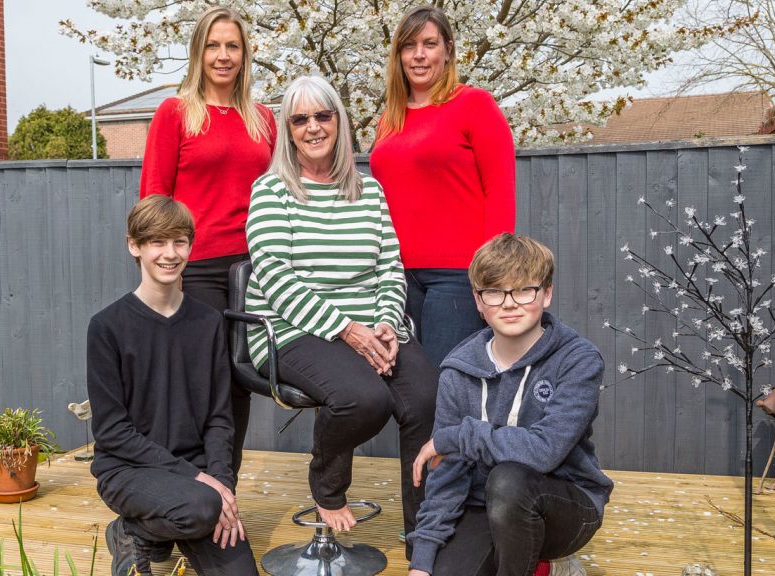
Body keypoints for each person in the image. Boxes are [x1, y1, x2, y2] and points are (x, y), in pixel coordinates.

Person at [244, 75, 439, 548]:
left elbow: (390, 268)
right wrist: (348, 329)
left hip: (371, 326)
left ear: (339, 121)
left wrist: (388, 325)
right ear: (289, 131)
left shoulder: (368, 192)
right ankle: (327, 489)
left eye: (323, 115)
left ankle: (425, 532)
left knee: (430, 396)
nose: (313, 127)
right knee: (364, 398)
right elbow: (275, 275)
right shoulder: (271, 191)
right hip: (290, 329)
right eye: (300, 119)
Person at [406, 233, 612, 576]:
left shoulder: (578, 360)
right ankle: (533, 565)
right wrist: (421, 562)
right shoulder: (458, 371)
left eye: (524, 290)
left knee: (509, 481)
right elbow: (448, 477)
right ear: (478, 301)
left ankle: (545, 563)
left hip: (565, 503)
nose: (509, 303)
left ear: (546, 294)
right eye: (495, 292)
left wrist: (456, 438)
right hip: (482, 505)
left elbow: (545, 450)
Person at [87, 195, 259, 576]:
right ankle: (134, 528)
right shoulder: (107, 327)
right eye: (157, 242)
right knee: (201, 508)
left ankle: (153, 531)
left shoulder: (209, 322)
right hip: (128, 471)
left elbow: (219, 417)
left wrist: (222, 484)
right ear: (135, 246)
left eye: (179, 241)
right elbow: (112, 432)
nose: (170, 253)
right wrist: (201, 483)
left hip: (196, 480)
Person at [139, 6, 276, 479]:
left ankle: (223, 488)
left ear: (244, 54)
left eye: (232, 46)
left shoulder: (262, 119)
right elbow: (154, 200)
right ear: (198, 52)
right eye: (213, 46)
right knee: (196, 383)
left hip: (253, 269)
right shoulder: (175, 113)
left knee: (239, 384)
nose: (223, 56)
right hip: (195, 268)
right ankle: (178, 488)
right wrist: (160, 269)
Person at [369, 5, 516, 367]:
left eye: (429, 43)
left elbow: (500, 193)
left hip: (456, 277)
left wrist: (490, 278)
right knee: (408, 391)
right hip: (395, 277)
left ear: (448, 49)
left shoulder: (474, 105)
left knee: (446, 386)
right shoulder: (390, 117)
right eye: (409, 45)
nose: (419, 55)